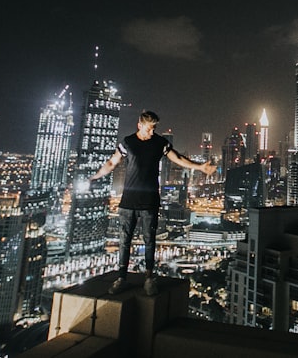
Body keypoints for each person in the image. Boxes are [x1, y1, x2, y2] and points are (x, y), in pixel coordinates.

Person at [90, 109, 216, 295]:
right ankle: (121, 278)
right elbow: (111, 163)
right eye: (149, 129)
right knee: (124, 240)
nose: (152, 132)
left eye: (154, 129)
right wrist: (95, 177)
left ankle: (149, 278)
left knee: (150, 240)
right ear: (139, 125)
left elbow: (178, 158)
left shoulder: (159, 143)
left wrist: (199, 167)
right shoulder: (128, 142)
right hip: (128, 201)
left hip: (149, 201)